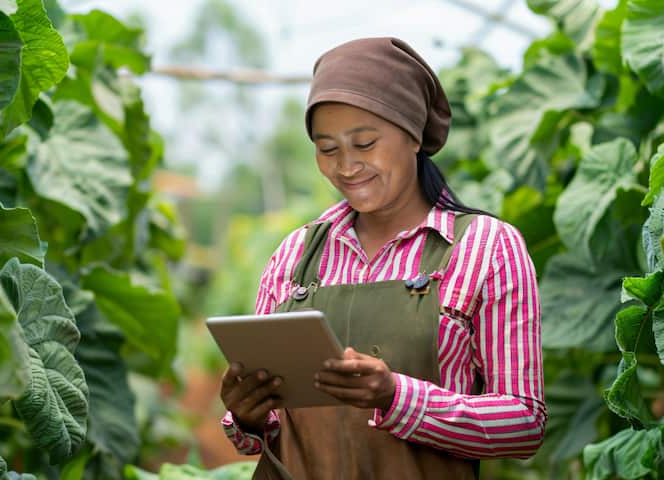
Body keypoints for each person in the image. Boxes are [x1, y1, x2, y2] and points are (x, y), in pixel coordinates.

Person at [218, 37, 546, 479]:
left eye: (365, 143)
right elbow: (265, 433)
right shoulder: (294, 255)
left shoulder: (486, 248)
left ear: (413, 136)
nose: (347, 166)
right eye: (327, 149)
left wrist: (396, 397)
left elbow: (524, 424)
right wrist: (247, 416)